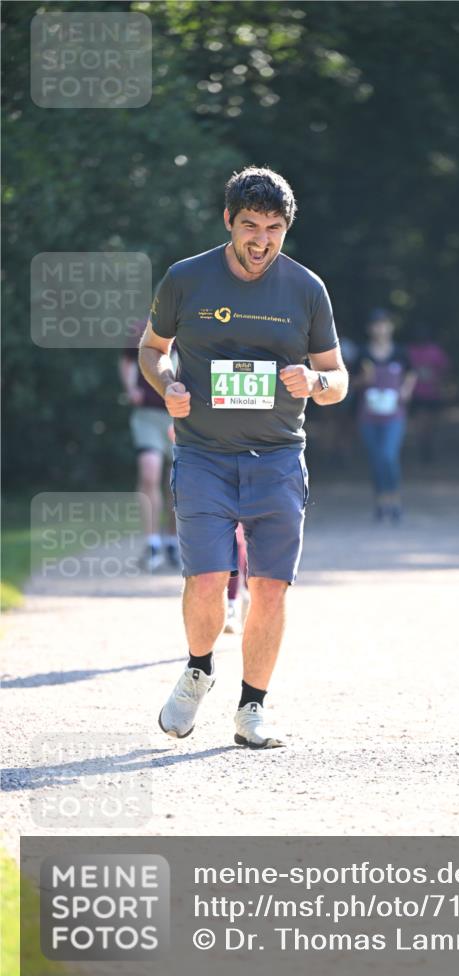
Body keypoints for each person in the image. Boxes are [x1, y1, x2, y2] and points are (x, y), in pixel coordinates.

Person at [139, 166, 348, 748]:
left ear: (287, 229)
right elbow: (153, 349)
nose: (261, 241)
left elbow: (338, 377)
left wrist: (316, 381)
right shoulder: (186, 278)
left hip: (278, 457)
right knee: (207, 578)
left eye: (274, 228)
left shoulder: (306, 288)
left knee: (271, 588)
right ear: (228, 220)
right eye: (250, 225)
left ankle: (252, 709)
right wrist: (166, 384)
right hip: (203, 454)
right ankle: (198, 669)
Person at [118, 324, 179, 571]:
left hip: (179, 417)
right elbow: (127, 360)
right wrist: (130, 388)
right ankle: (152, 543)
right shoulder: (141, 330)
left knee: (177, 482)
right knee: (149, 473)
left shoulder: (190, 327)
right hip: (147, 417)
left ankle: (172, 540)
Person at [354, 308, 417, 522]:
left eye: (384, 324)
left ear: (391, 327)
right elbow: (348, 382)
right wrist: (363, 379)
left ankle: (395, 500)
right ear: (369, 329)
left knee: (388, 456)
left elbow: (411, 373)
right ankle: (380, 501)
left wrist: (406, 390)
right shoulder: (362, 353)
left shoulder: (400, 352)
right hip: (368, 416)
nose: (380, 329)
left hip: (394, 415)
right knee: (376, 459)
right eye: (376, 325)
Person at [406, 323, 450, 464]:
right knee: (421, 423)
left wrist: (438, 381)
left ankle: (427, 445)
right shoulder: (409, 351)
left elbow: (444, 369)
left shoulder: (435, 351)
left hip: (433, 394)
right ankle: (424, 447)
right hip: (416, 394)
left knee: (430, 424)